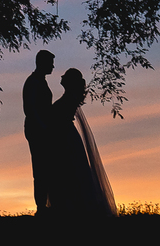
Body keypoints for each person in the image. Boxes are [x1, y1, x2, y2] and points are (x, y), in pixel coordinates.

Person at [47, 68, 117, 217]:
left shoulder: (69, 99)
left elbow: (58, 118)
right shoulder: (70, 98)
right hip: (65, 136)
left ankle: (73, 208)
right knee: (70, 172)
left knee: (70, 171)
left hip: (65, 138)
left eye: (65, 76)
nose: (61, 77)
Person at [23, 50, 55, 214]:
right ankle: (41, 206)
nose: (53, 67)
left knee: (46, 168)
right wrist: (43, 127)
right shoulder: (33, 82)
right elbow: (30, 109)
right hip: (37, 131)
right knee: (41, 169)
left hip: (43, 129)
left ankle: (46, 205)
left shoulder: (40, 81)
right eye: (50, 63)